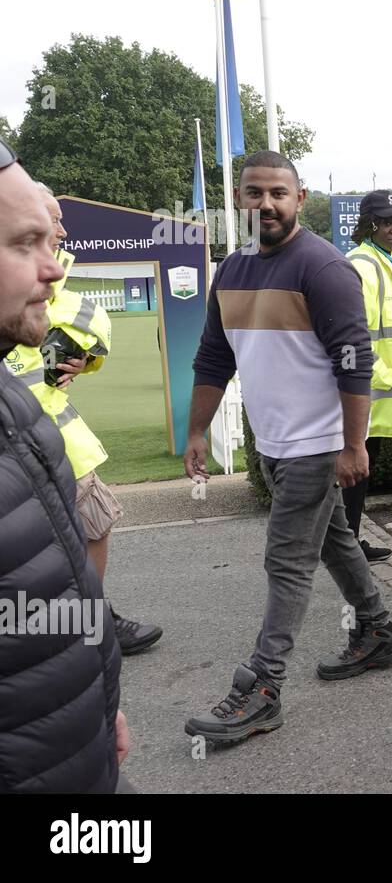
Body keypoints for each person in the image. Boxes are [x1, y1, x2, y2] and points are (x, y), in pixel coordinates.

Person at [184, 151, 392, 746]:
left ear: (300, 198)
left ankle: (262, 688)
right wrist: (199, 430)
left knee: (287, 561)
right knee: (333, 540)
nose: (267, 205)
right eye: (254, 193)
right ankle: (378, 630)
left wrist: (353, 444)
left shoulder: (323, 268)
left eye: (279, 193)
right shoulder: (230, 271)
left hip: (317, 444)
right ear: (238, 199)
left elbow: (354, 360)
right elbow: (214, 358)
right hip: (274, 445)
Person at [0, 139, 129, 791]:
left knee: (86, 542)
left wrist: (102, 699)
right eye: (26, 242)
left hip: (83, 741)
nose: (49, 265)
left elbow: (77, 360)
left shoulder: (18, 413)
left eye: (50, 240)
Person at [4, 184, 162, 653]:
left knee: (91, 524)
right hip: (23, 444)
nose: (62, 230)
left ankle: (88, 618)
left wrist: (85, 357)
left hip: (60, 441)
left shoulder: (57, 278)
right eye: (51, 219)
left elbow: (90, 329)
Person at [341, 190, 392, 563]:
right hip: (376, 391)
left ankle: (352, 544)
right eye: (387, 222)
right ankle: (349, 546)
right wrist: (386, 376)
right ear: (369, 224)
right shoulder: (363, 264)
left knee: (364, 470)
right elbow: (353, 334)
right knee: (359, 471)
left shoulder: (383, 261)